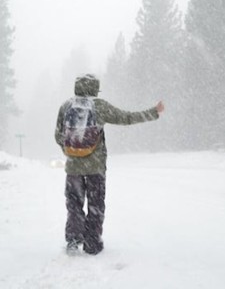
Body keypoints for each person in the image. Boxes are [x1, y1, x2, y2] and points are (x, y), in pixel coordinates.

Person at [54, 74, 164, 255]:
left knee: (74, 205)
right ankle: (92, 244)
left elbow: (58, 135)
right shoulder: (100, 106)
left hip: (73, 169)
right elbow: (126, 117)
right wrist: (153, 112)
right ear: (94, 88)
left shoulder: (66, 106)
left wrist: (71, 152)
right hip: (96, 168)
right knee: (95, 205)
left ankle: (73, 240)